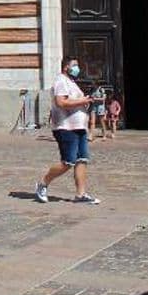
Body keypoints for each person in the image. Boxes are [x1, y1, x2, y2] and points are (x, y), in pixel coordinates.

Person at [35, 56, 100, 205]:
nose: (77, 68)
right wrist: (83, 101)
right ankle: (43, 183)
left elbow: (74, 102)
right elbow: (61, 102)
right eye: (74, 65)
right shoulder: (61, 81)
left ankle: (81, 194)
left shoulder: (72, 83)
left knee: (82, 160)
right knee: (68, 162)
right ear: (66, 67)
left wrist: (87, 102)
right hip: (66, 128)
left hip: (79, 127)